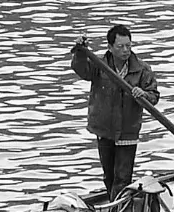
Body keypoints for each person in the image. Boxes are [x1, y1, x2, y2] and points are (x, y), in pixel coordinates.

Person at [68, 23, 160, 199]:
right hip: (105, 130)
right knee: (109, 176)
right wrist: (80, 51)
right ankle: (114, 206)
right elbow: (81, 70)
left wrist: (144, 95)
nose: (125, 50)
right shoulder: (99, 66)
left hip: (128, 131)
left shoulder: (141, 69)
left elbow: (154, 96)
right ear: (110, 47)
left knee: (122, 178)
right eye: (120, 46)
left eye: (128, 46)